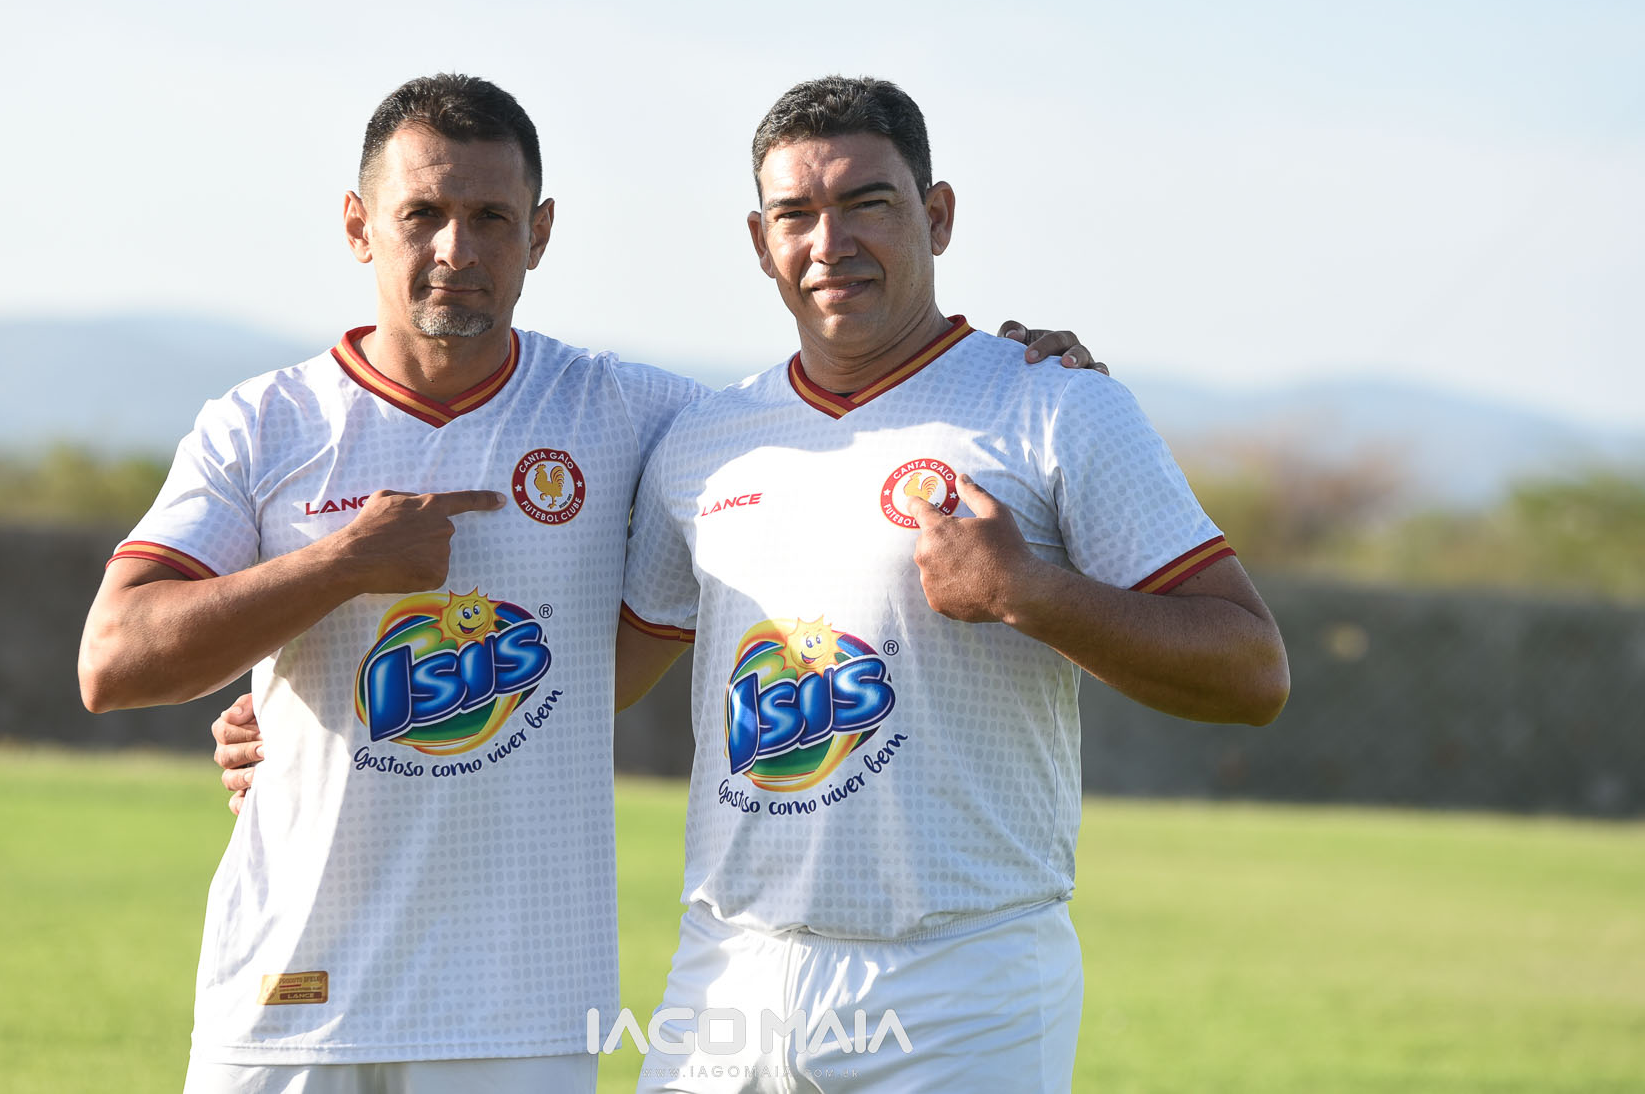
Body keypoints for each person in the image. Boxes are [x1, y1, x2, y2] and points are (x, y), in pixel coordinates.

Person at [83, 73, 1097, 1094]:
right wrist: (338, 569)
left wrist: (1005, 375)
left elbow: (819, 425)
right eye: (422, 214)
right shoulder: (263, 424)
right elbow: (113, 660)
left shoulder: (632, 415)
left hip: (517, 1017)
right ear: (358, 226)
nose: (456, 249)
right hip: (283, 998)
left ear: (540, 233)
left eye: (492, 217)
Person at [607, 76, 1291, 1093]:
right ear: (759, 240)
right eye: (795, 213)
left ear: (936, 215)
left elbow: (1252, 670)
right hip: (728, 973)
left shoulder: (1051, 404)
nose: (829, 241)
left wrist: (1028, 592)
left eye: (867, 203)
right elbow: (596, 683)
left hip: (958, 981)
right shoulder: (704, 441)